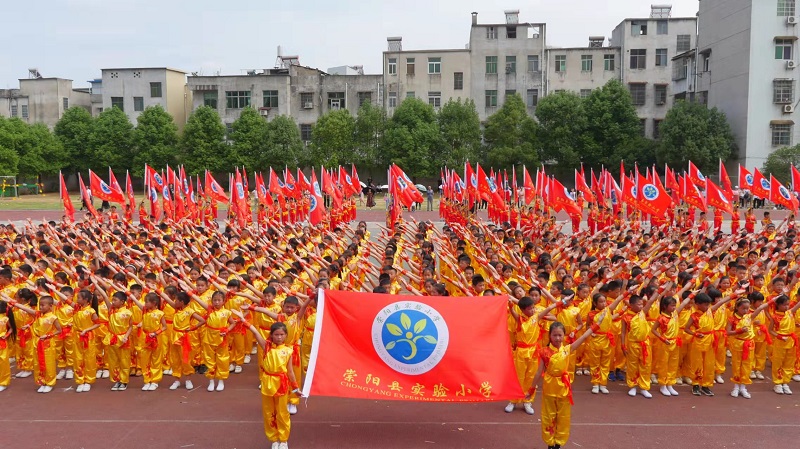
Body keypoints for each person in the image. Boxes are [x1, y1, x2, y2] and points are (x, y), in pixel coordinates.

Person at [530, 321, 596, 449]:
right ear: (550, 336)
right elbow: (538, 372)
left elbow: (583, 337)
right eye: (554, 335)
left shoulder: (567, 349)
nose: (557, 338)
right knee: (548, 415)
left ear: (564, 336)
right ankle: (550, 443)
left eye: (560, 335)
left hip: (563, 388)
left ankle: (558, 443)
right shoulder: (544, 352)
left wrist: (596, 325)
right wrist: (532, 388)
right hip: (549, 388)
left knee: (563, 416)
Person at [238, 315, 299, 449]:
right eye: (276, 334)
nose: (279, 337)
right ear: (271, 335)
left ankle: (283, 440)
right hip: (267, 382)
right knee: (268, 412)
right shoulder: (267, 347)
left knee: (282, 413)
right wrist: (244, 321)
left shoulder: (288, 351)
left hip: (281, 384)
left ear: (286, 335)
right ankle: (274, 439)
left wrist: (295, 388)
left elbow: (290, 371)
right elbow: (255, 332)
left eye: (282, 334)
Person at [1, 294, 62, 393]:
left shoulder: (53, 317)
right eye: (40, 305)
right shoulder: (38, 314)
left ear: (50, 306)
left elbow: (59, 330)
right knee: (37, 363)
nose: (41, 307)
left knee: (48, 363)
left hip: (47, 343)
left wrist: (48, 335)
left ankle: (49, 383)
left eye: (43, 305)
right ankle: (42, 382)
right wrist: (12, 302)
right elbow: (25, 308)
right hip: (37, 342)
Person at [727, 294, 771, 398]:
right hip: (738, 344)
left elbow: (760, 308)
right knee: (737, 365)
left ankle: (743, 387)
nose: (746, 310)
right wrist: (739, 331)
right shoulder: (732, 319)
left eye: (747, 308)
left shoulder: (750, 316)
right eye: (743, 308)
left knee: (747, 366)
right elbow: (728, 332)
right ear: (737, 307)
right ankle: (736, 387)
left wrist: (772, 301)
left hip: (749, 344)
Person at [0, 300, 15, 392]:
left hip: (1, 342)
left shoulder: (5, 318)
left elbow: (11, 328)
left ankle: (3, 382)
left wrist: (6, 335)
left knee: (3, 362)